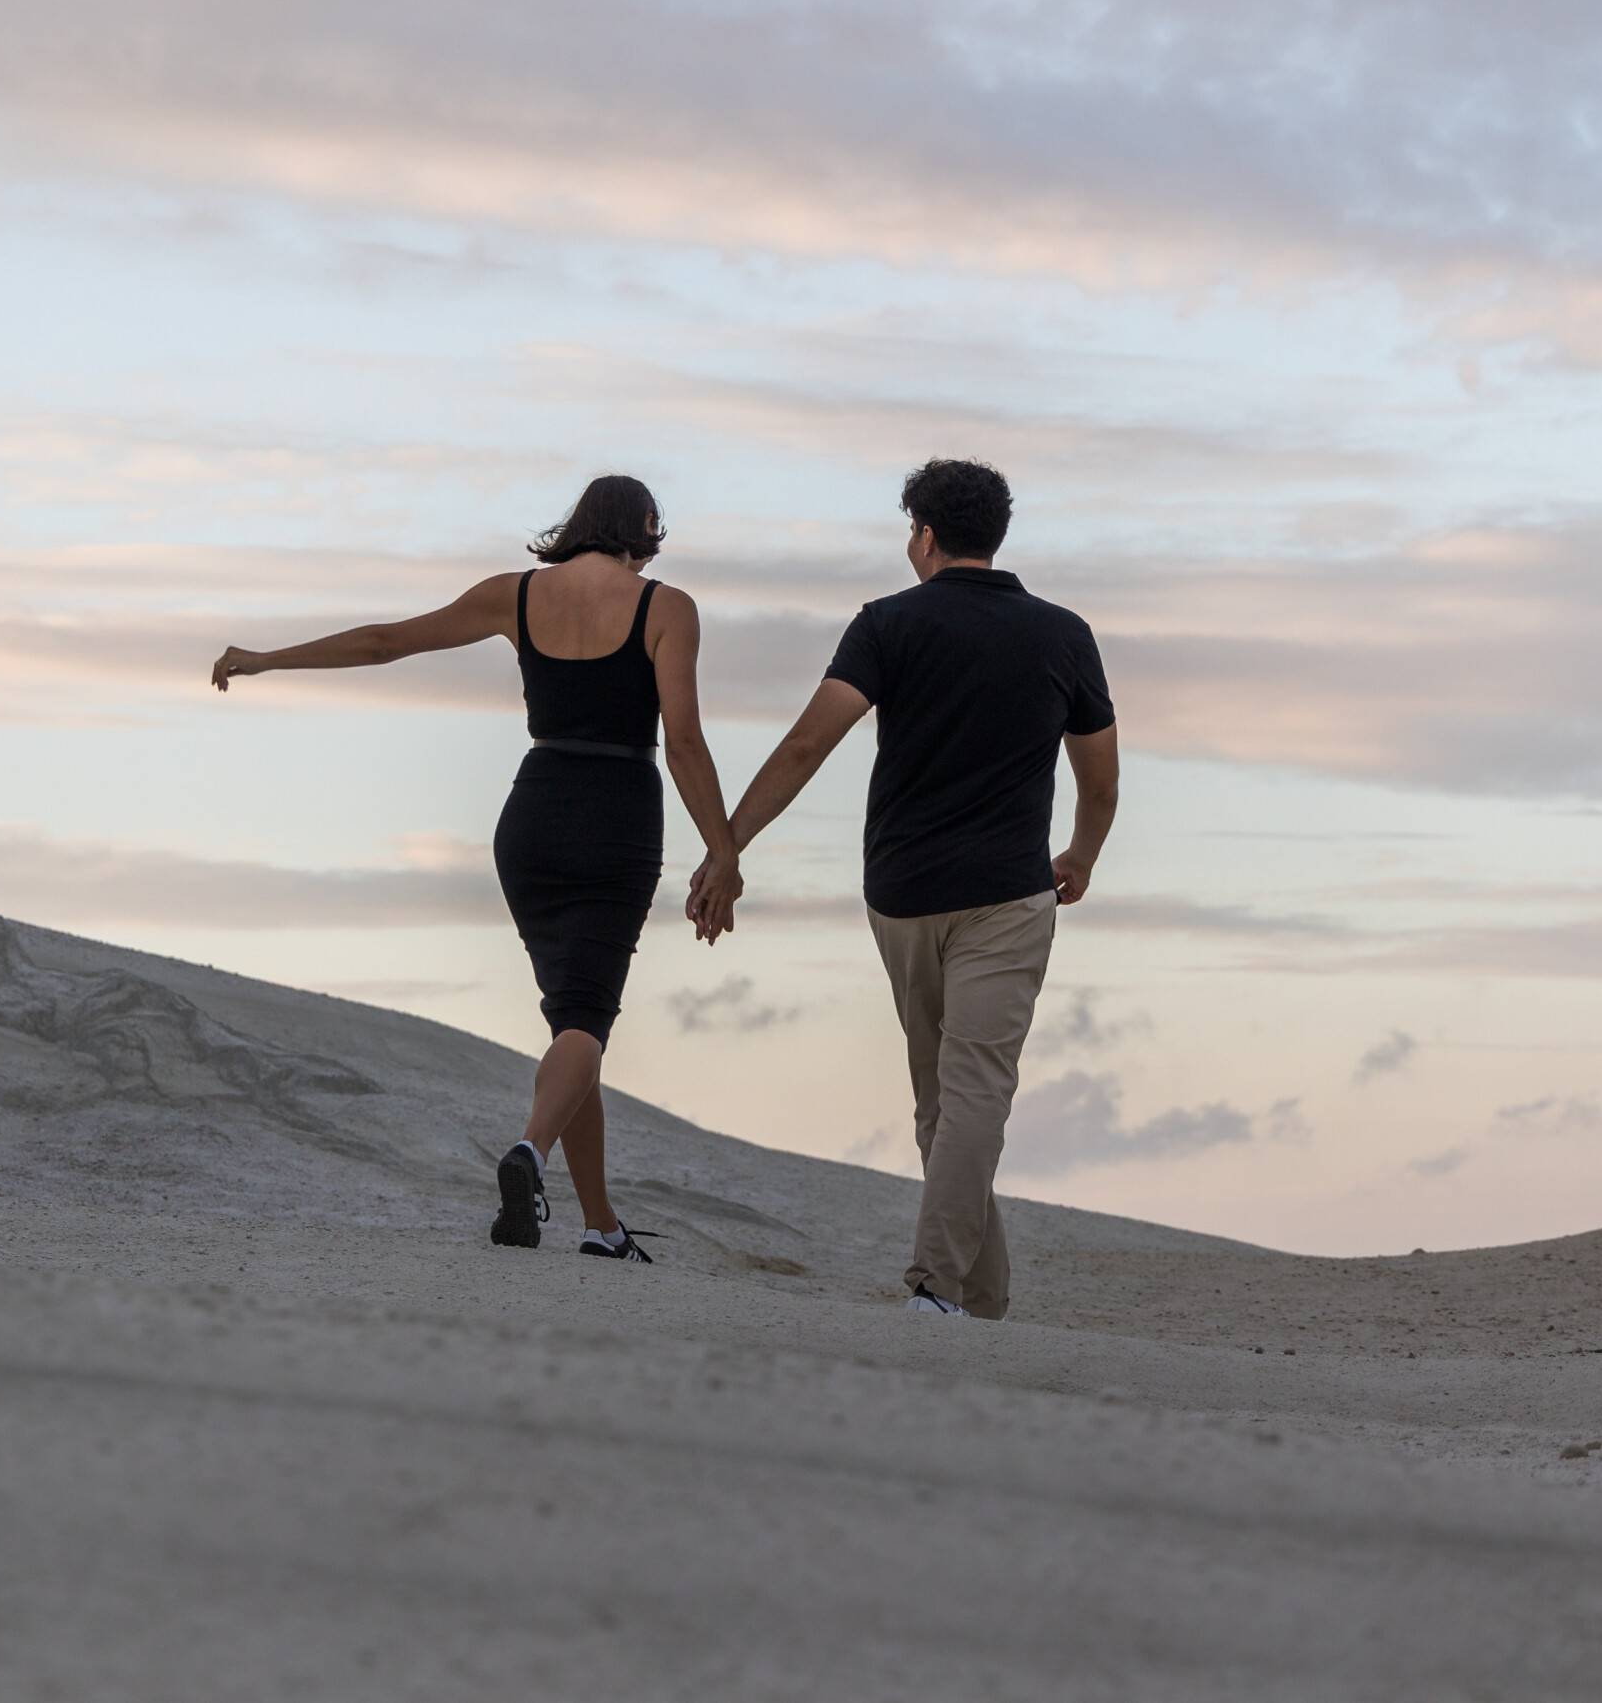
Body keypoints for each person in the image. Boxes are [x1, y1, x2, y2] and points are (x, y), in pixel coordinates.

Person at [213, 474, 743, 1262]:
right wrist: (722, 852)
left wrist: (265, 659)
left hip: (531, 816)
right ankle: (529, 1153)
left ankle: (600, 1225)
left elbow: (386, 641)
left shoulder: (517, 595)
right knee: (586, 1020)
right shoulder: (667, 607)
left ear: (578, 524)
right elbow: (685, 741)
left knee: (573, 1021)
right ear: (643, 532)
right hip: (617, 815)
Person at [697, 459, 1117, 1318]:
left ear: (924, 535)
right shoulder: (1063, 633)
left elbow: (808, 745)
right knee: (960, 1103)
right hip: (1008, 893)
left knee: (951, 1102)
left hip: (902, 894)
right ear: (994, 535)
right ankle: (970, 1296)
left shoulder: (886, 624)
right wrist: (1082, 850)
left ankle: (946, 1291)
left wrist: (727, 846)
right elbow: (1101, 777)